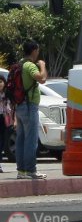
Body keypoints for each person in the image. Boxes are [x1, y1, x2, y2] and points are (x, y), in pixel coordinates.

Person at [15, 40, 47, 179]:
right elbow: (42, 79)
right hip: (29, 106)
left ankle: (21, 171)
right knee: (31, 139)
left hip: (19, 105)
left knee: (21, 139)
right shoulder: (29, 65)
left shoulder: (19, 64)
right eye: (37, 50)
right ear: (34, 50)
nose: (38, 53)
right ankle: (30, 170)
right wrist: (42, 66)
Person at [0, 75, 10, 173]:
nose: (0, 84)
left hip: (5, 119)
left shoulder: (7, 94)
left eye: (1, 81)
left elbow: (11, 106)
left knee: (3, 142)